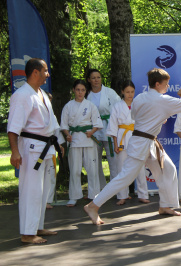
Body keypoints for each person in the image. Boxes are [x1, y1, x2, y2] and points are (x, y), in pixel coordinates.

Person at [84, 68, 181, 225]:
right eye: (166, 84)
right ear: (157, 84)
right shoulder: (161, 100)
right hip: (141, 143)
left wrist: (155, 118)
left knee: (168, 169)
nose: (168, 87)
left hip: (148, 142)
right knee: (124, 178)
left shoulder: (140, 98)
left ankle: (165, 205)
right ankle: (93, 206)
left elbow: (136, 116)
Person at [7, 58, 64, 243]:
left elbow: (52, 122)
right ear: (35, 72)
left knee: (42, 191)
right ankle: (27, 233)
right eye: (45, 70)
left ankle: (37, 227)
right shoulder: (22, 95)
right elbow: (14, 127)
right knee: (31, 190)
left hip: (46, 148)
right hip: (31, 150)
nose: (48, 74)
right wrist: (15, 152)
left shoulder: (41, 94)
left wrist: (59, 143)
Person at [60, 79, 103, 207]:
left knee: (92, 169)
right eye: (78, 90)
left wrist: (92, 132)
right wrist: (67, 135)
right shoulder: (68, 106)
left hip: (88, 139)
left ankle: (94, 195)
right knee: (75, 169)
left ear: (86, 91)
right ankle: (73, 196)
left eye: (83, 90)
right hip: (74, 139)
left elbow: (97, 123)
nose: (80, 92)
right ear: (74, 90)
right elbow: (64, 124)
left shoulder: (90, 105)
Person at [107, 80, 150, 205]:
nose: (130, 94)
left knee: (140, 168)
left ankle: (143, 194)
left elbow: (144, 122)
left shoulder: (138, 104)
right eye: (127, 92)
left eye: (132, 92)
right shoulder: (117, 106)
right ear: (122, 92)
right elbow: (113, 126)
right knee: (121, 168)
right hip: (122, 137)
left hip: (137, 137)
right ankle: (122, 195)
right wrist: (115, 143)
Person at [86, 69, 121, 189]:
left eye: (98, 77)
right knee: (95, 160)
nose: (96, 80)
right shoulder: (87, 94)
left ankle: (115, 189)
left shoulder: (109, 92)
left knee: (113, 160)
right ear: (89, 80)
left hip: (108, 126)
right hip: (94, 130)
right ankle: (100, 188)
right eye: (94, 78)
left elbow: (119, 107)